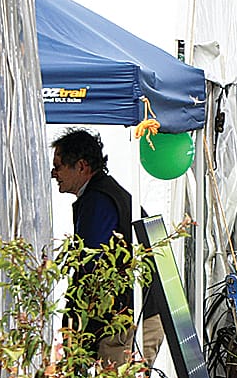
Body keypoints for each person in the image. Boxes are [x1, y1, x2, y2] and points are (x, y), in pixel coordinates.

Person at [51, 128, 164, 364]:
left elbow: (90, 266)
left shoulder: (97, 200)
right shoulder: (105, 193)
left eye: (58, 167)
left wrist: (74, 325)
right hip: (140, 312)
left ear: (81, 166)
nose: (54, 174)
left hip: (128, 320)